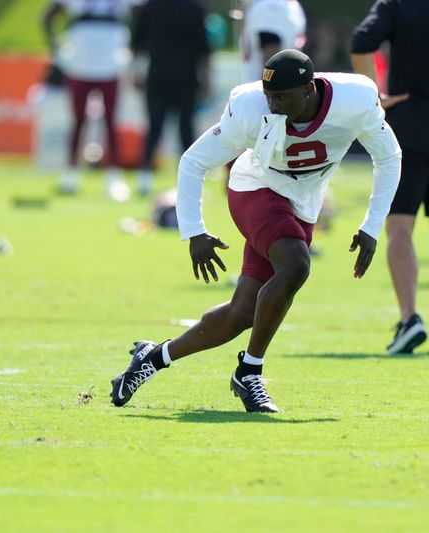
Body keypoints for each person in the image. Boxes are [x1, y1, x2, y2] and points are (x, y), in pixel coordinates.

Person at [110, 50, 401, 412]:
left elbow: (388, 156)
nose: (273, 105)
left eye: (282, 97)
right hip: (256, 188)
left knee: (242, 313)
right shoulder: (250, 107)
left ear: (309, 89)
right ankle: (249, 372)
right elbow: (194, 161)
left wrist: (372, 226)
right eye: (269, 96)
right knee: (295, 265)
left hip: (304, 202)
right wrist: (194, 231)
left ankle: (152, 358)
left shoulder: (355, 101)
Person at [351, 0, 429, 355]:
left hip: (410, 128)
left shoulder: (399, 4)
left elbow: (362, 41)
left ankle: (409, 317)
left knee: (400, 228)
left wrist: (375, 97)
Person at [43, 0, 135, 201]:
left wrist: (135, 47)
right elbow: (49, 14)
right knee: (78, 121)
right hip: (80, 64)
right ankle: (70, 176)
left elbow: (141, 13)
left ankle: (114, 178)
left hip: (111, 63)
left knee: (111, 122)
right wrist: (55, 48)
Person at [132, 0, 211, 196]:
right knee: (186, 130)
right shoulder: (194, 8)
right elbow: (203, 48)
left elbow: (137, 44)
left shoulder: (152, 6)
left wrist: (137, 72)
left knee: (155, 128)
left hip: (158, 74)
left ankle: (145, 179)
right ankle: (190, 183)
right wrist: (207, 78)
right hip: (185, 75)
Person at [240, 0, 306, 83]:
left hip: (276, 88)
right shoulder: (272, 6)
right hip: (270, 89)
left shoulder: (284, 6)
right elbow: (270, 54)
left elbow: (271, 52)